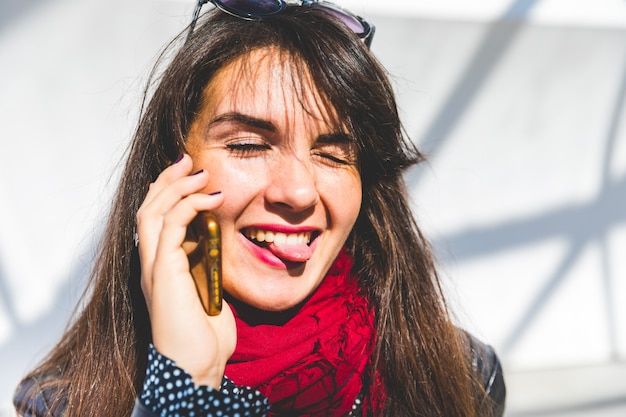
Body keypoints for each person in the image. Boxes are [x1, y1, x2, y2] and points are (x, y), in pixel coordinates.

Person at [14, 1, 505, 416]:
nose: (298, 193)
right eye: (248, 144)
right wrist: (185, 381)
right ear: (170, 171)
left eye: (333, 154)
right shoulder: (61, 402)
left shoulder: (463, 378)